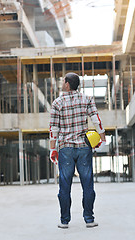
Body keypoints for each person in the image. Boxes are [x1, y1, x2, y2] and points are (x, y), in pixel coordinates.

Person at [49, 72, 106, 229]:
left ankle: (64, 221)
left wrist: (52, 149)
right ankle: (89, 219)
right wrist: (102, 137)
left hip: (65, 148)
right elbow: (96, 119)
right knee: (87, 184)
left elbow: (54, 129)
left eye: (63, 81)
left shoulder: (57, 103)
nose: (62, 84)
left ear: (67, 84)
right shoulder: (87, 99)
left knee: (64, 186)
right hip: (83, 147)